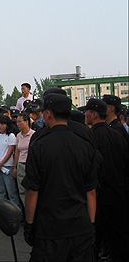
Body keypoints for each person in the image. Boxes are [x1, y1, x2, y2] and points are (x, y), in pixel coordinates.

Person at [22, 94, 97, 262]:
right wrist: (91, 224)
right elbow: (91, 190)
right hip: (80, 225)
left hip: (50, 227)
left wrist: (29, 223)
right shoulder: (84, 143)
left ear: (48, 114)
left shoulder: (39, 143)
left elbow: (32, 190)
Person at [84, 98, 129, 261]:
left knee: (97, 239)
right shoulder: (118, 135)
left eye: (87, 111)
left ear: (94, 114)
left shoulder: (91, 137)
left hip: (100, 197)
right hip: (118, 193)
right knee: (119, 238)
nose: (85, 114)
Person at [0, 115, 20, 210]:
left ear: (7, 125)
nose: (0, 126)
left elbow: (10, 151)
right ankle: (3, 213)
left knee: (11, 192)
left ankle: (17, 212)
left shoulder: (11, 136)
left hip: (7, 167)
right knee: (1, 191)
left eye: (2, 124)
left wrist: (1, 163)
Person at [13, 112, 35, 208]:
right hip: (21, 164)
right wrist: (15, 166)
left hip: (31, 165)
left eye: (19, 122)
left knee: (31, 189)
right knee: (22, 190)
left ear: (26, 122)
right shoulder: (18, 136)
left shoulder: (33, 135)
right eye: (17, 122)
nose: (18, 124)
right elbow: (17, 151)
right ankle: (26, 210)